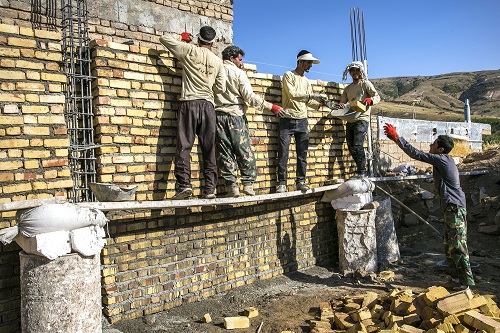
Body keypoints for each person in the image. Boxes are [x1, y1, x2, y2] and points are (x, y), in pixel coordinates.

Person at [384, 123, 475, 289]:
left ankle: (466, 284)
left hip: (455, 207)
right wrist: (395, 139)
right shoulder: (442, 160)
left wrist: (398, 138)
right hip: (450, 206)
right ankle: (455, 280)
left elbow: (416, 153)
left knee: (458, 246)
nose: (430, 145)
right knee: (449, 245)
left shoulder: (441, 159)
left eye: (433, 144)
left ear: (440, 149)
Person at [160, 26, 226, 200]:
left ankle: (184, 185)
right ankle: (210, 189)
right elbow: (221, 88)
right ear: (212, 42)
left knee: (184, 145)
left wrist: (181, 36)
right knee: (208, 148)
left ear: (198, 39)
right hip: (208, 106)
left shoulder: (189, 50)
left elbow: (165, 39)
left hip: (189, 103)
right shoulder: (218, 61)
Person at [214, 46, 285, 197]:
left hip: (218, 117)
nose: (241, 63)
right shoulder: (238, 73)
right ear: (232, 58)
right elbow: (250, 97)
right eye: (240, 60)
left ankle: (232, 187)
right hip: (236, 117)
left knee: (224, 153)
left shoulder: (215, 70)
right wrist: (271, 107)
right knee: (244, 150)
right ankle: (248, 184)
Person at [277, 50, 326, 193]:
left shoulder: (306, 81)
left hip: (302, 120)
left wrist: (319, 104)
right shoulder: (288, 76)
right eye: (308, 62)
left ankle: (300, 181)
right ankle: (281, 183)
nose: (310, 65)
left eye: (311, 63)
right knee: (283, 153)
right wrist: (313, 96)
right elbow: (292, 95)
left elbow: (308, 101)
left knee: (302, 153)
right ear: (300, 61)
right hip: (287, 119)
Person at [339, 61, 380, 178]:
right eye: (352, 70)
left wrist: (370, 100)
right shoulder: (348, 88)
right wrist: (342, 104)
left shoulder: (365, 84)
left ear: (361, 71)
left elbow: (377, 96)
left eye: (357, 70)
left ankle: (362, 171)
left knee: (357, 145)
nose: (354, 73)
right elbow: (343, 101)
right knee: (351, 146)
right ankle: (360, 169)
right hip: (351, 119)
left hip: (362, 118)